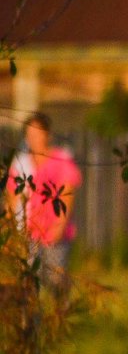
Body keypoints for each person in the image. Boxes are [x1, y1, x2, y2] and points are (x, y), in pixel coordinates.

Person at [5, 112, 82, 292]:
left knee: (56, 279)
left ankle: (59, 313)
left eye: (38, 133)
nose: (34, 138)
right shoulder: (21, 165)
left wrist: (60, 226)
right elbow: (12, 197)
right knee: (29, 282)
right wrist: (11, 230)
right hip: (28, 232)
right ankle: (34, 319)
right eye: (30, 134)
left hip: (54, 233)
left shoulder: (61, 160)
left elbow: (67, 193)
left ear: (48, 135)